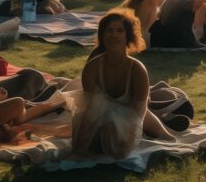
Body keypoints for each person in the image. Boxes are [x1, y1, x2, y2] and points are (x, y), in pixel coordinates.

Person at [72, 10, 184, 158]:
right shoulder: (92, 68)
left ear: (128, 36)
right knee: (94, 136)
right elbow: (90, 109)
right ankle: (163, 118)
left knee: (127, 134)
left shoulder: (137, 70)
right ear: (102, 36)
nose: (114, 35)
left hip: (131, 112)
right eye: (109, 31)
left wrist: (129, 136)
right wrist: (82, 143)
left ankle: (163, 131)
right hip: (99, 117)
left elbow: (139, 112)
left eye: (119, 30)